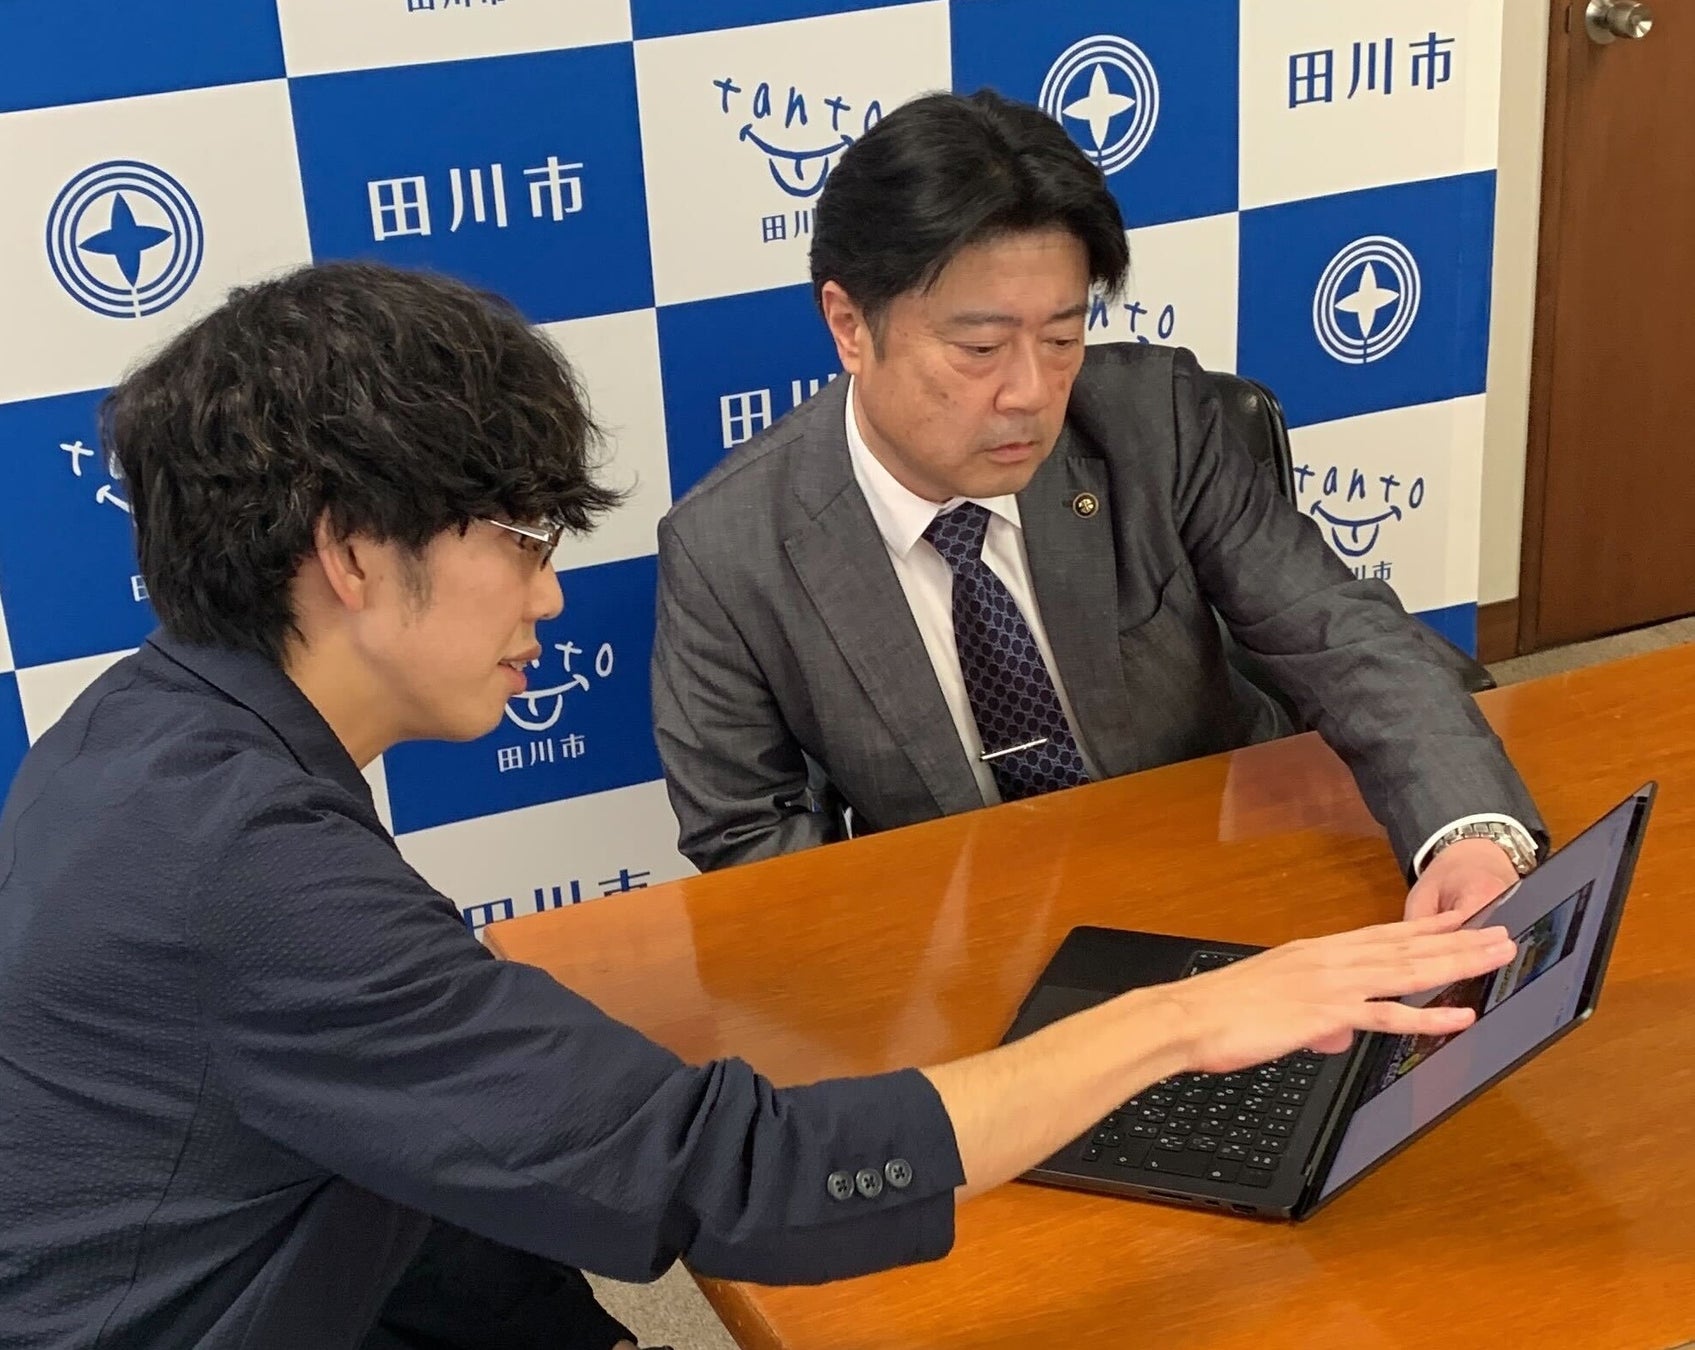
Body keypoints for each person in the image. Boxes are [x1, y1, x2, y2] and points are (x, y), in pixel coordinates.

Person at [0, 262, 1518, 1350]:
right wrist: (1187, 1019)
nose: (547, 596)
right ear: (348, 553)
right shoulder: (248, 870)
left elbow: (399, 1152)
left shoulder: (152, 731)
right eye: (520, 539)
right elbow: (738, 1179)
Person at [650, 89, 1547, 923]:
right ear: (850, 326)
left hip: (1225, 860)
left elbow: (1337, 632)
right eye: (980, 349)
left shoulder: (1154, 422)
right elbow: (746, 835)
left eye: (1062, 337)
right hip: (961, 928)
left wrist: (1468, 834)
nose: (1029, 393)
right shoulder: (729, 548)